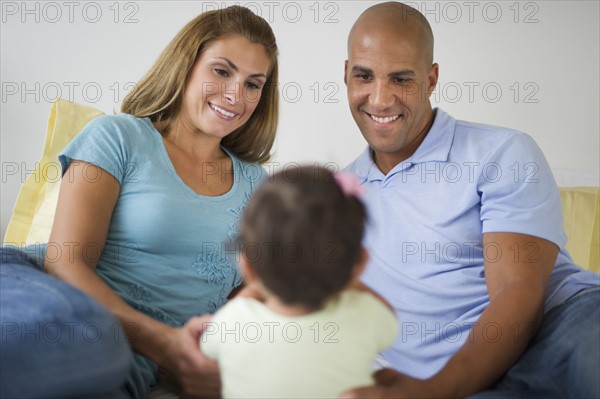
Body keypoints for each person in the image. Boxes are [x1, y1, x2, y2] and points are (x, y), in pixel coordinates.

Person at [0, 5, 279, 399]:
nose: (236, 94)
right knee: (98, 349)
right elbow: (64, 261)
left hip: (134, 364)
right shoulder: (119, 137)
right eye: (222, 71)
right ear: (186, 65)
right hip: (45, 295)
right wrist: (164, 342)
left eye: (254, 84)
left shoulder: (257, 186)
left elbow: (242, 302)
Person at [340, 2, 600, 398]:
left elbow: (518, 295)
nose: (379, 99)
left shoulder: (502, 152)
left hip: (559, 331)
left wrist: (435, 391)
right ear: (346, 75)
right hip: (468, 381)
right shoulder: (334, 197)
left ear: (431, 79)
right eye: (364, 76)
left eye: (401, 79)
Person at [201, 165, 398, 398]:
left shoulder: (233, 322)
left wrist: (251, 289)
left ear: (249, 268)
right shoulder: (367, 315)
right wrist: (352, 277)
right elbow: (390, 319)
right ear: (360, 264)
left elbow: (207, 350)